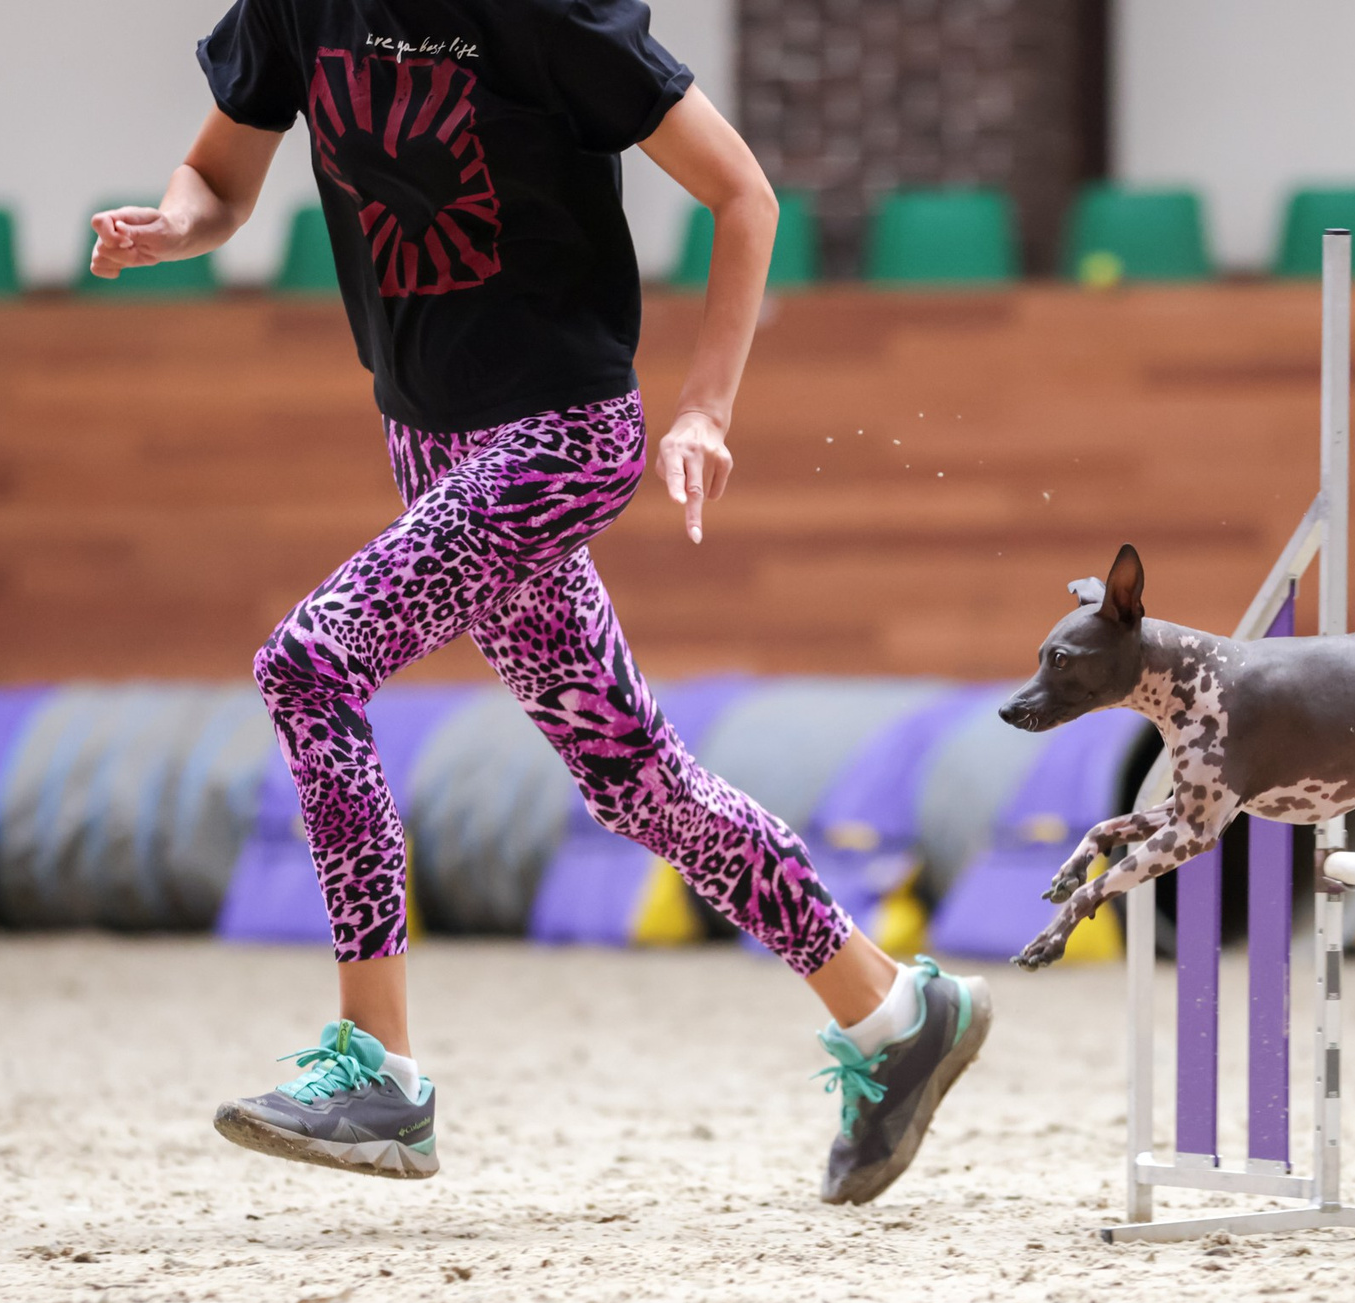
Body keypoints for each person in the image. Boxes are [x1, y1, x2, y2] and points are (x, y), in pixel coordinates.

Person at [90, 0, 988, 1205]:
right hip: (428, 442)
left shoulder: (546, 11)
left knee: (310, 666)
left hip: (561, 432)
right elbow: (219, 174)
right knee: (636, 778)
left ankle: (381, 1072)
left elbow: (744, 197)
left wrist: (705, 408)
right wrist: (174, 228)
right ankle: (896, 1015)